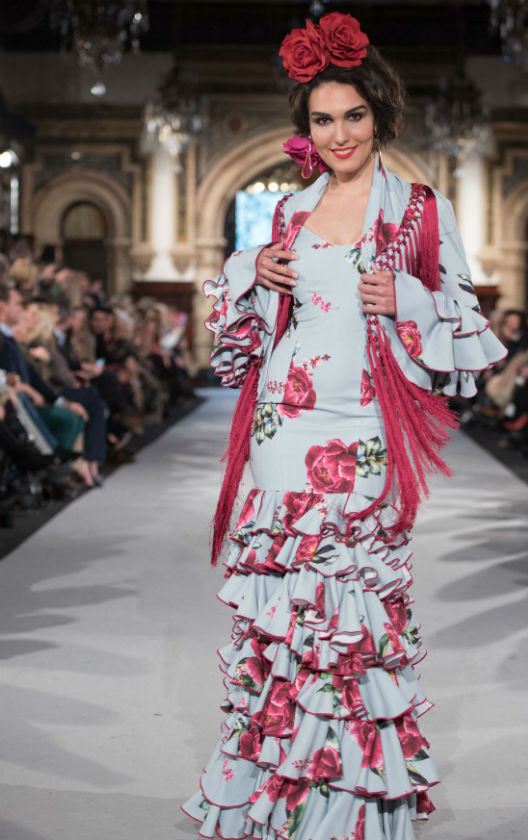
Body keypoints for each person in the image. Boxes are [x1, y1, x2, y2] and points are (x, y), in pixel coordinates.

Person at [181, 13, 505, 840]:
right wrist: (248, 268)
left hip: (363, 423)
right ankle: (283, 788)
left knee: (352, 600)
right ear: (307, 128)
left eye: (352, 116)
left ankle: (354, 794)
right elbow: (250, 324)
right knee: (288, 605)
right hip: (282, 423)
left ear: (379, 114)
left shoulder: (419, 210)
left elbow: (465, 328)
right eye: (322, 119)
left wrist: (414, 298)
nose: (338, 133)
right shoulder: (287, 212)